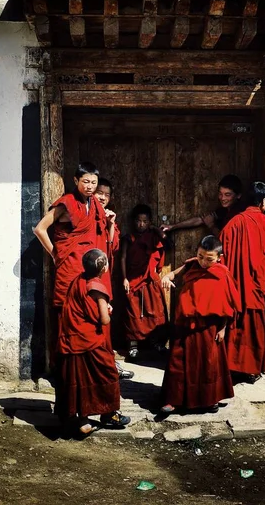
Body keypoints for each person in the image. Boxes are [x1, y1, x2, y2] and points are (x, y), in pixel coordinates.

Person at [55, 248, 131, 436]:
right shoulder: (97, 288)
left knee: (78, 380)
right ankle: (109, 414)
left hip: (74, 338)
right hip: (91, 341)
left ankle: (82, 421)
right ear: (103, 268)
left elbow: (77, 307)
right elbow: (104, 320)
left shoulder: (77, 281)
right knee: (107, 374)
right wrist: (109, 310)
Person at [159, 235, 239, 414]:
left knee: (207, 364)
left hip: (209, 326)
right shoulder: (192, 264)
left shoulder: (222, 273)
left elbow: (229, 304)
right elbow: (175, 273)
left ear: (219, 257)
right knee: (177, 361)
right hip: (184, 322)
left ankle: (209, 399)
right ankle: (172, 400)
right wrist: (167, 276)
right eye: (200, 256)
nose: (203, 262)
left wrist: (223, 328)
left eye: (209, 259)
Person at [220, 181, 265, 383]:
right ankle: (252, 369)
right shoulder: (263, 221)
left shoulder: (233, 223)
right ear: (264, 201)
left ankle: (230, 365)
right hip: (254, 285)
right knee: (253, 327)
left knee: (235, 324)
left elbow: (222, 244)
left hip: (236, 285)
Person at [34, 162, 106, 310]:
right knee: (68, 306)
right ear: (76, 181)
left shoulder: (94, 204)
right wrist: (55, 255)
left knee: (88, 306)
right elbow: (40, 229)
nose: (90, 186)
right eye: (85, 182)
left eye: (94, 183)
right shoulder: (67, 202)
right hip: (70, 263)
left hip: (89, 266)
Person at [94, 178, 134, 380]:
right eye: (99, 192)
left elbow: (112, 249)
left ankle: (108, 359)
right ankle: (100, 361)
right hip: (90, 275)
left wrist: (110, 225)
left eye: (107, 194)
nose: (102, 197)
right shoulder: (87, 215)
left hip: (105, 275)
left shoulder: (109, 218)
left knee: (105, 317)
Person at [121, 204, 168, 360]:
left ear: (149, 222)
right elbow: (123, 258)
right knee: (133, 311)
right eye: (138, 221)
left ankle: (157, 342)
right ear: (134, 221)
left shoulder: (154, 236)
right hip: (133, 279)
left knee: (155, 310)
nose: (141, 224)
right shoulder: (129, 238)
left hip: (150, 279)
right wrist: (125, 278)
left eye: (145, 221)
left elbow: (163, 246)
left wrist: (155, 229)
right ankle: (133, 346)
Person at [161, 175, 244, 237]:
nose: (222, 198)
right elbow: (201, 220)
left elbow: (228, 241)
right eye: (220, 194)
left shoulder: (240, 215)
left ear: (238, 195)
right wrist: (172, 226)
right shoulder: (224, 210)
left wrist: (211, 226)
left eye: (227, 194)